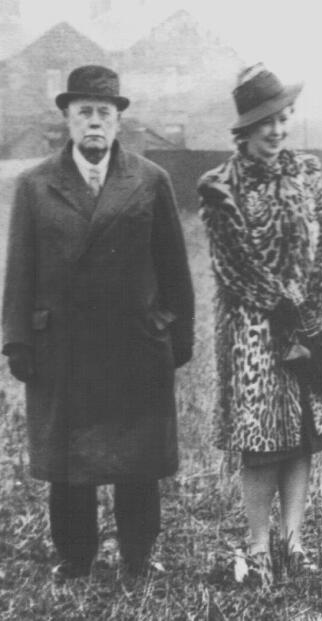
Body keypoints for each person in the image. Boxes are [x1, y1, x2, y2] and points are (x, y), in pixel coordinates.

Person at [1, 65, 195, 580]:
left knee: (138, 457)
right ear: (66, 118)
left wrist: (176, 331)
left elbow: (174, 267)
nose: (94, 123)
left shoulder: (151, 181)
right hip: (62, 346)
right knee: (70, 461)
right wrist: (18, 340)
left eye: (103, 113)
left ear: (117, 122)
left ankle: (137, 555)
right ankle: (76, 557)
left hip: (133, 343)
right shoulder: (35, 185)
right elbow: (19, 270)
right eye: (84, 112)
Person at [197, 64, 322, 588]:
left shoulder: (307, 170)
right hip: (256, 335)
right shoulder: (221, 185)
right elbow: (235, 267)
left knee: (302, 437)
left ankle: (294, 543)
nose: (277, 130)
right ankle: (259, 548)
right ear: (244, 129)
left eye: (283, 118)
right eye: (266, 122)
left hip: (309, 322)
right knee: (263, 441)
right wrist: (290, 314)